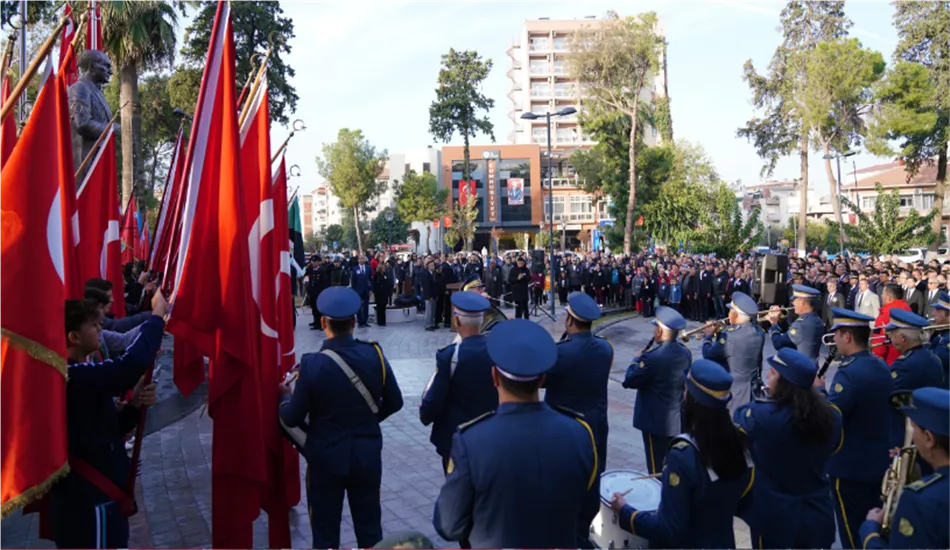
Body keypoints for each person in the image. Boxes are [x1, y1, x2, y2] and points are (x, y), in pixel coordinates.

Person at [432, 319, 598, 548]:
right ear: (541, 380)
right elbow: (589, 509)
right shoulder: (580, 433)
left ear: (494, 377)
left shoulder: (470, 442)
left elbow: (449, 525)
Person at [278, 286, 404, 548]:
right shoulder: (375, 354)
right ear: (354, 322)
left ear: (323, 322)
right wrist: (367, 421)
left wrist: (284, 398)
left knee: (325, 533)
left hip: (325, 458)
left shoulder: (312, 364)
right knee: (370, 529)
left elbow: (291, 418)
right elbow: (395, 402)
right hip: (366, 456)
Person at [49, 292, 167, 548]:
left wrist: (135, 405)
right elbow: (126, 368)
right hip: (88, 504)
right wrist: (157, 316)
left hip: (101, 500)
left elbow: (109, 430)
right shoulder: (69, 376)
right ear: (74, 337)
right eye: (94, 325)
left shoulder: (79, 373)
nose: (101, 330)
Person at [609, 359, 753, 547]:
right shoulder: (741, 442)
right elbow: (743, 501)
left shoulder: (684, 454)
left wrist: (626, 512)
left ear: (691, 399)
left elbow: (669, 529)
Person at [735, 348, 841, 548]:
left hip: (774, 515)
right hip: (816, 514)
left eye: (773, 373)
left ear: (785, 383)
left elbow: (740, 416)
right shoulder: (832, 417)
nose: (767, 375)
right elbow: (834, 447)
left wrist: (768, 400)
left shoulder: (762, 415)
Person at [817, 308, 894, 549]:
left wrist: (819, 391)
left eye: (837, 335)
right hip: (877, 462)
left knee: (851, 532)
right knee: (870, 525)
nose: (836, 340)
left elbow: (831, 417)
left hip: (850, 467)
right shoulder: (879, 365)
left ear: (847, 336)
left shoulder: (849, 373)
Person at [859, 386, 950, 548]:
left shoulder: (918, 501)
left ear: (929, 438)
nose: (912, 435)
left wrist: (870, 531)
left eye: (913, 427)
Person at [419, 291, 497, 474]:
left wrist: (425, 414)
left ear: (457, 321)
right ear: (483, 318)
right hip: (492, 436)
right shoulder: (497, 351)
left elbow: (436, 397)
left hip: (457, 437)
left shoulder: (449, 355)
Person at [622, 306, 691, 474]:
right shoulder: (686, 352)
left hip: (656, 422)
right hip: (677, 420)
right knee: (673, 466)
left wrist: (635, 360)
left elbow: (629, 380)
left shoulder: (652, 358)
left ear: (659, 331)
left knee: (655, 470)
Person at [884, 309, 946, 448]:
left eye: (892, 334)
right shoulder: (932, 357)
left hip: (909, 434)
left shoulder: (903, 365)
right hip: (931, 427)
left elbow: (892, 400)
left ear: (903, 338)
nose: (890, 338)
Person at [701, 291, 766, 414]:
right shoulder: (759, 333)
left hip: (736, 391)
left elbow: (709, 354)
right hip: (753, 389)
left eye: (731, 310)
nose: (728, 313)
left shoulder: (729, 336)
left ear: (735, 315)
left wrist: (708, 337)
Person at [766, 283, 824, 361]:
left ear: (802, 301)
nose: (793, 303)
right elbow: (792, 335)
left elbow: (778, 344)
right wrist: (781, 321)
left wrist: (774, 323)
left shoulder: (801, 324)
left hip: (801, 367)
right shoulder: (816, 319)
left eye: (794, 300)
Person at [928, 291, 950, 389]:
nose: (933, 313)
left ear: (949, 317)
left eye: (938, 310)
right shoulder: (941, 333)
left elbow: (934, 361)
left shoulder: (947, 338)